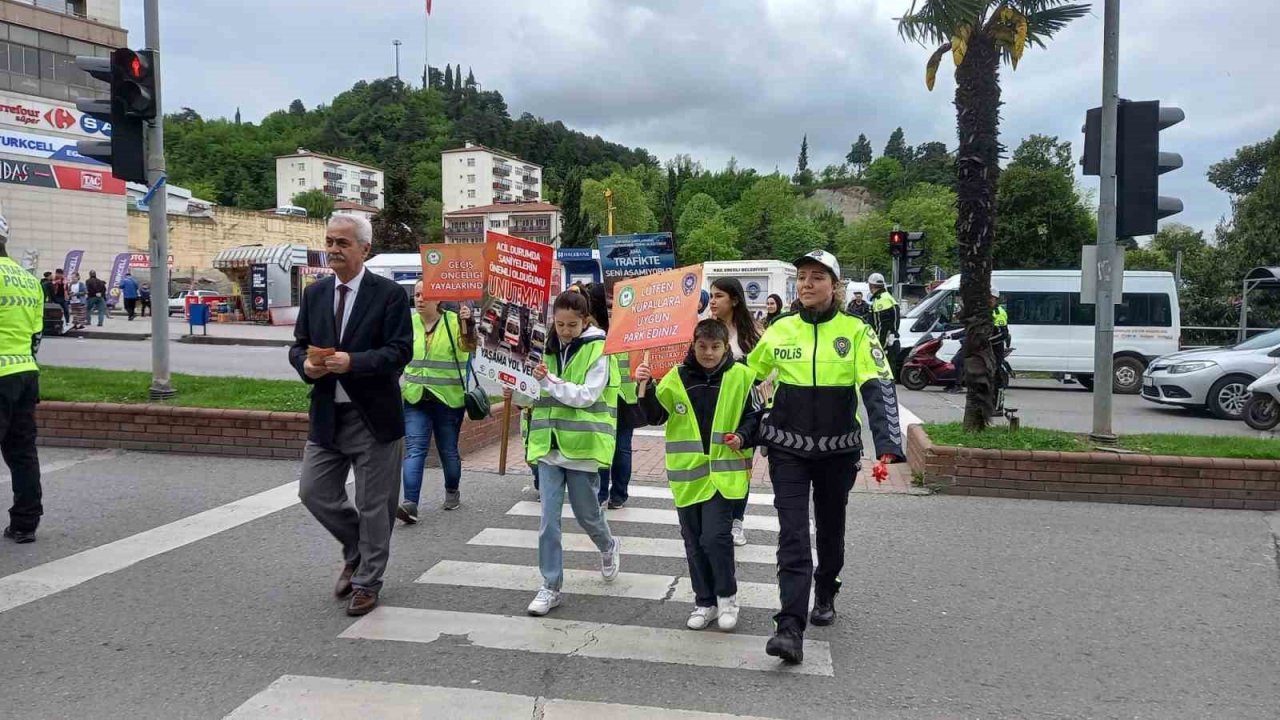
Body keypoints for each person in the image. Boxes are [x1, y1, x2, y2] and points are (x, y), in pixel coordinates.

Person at [747, 250, 904, 665]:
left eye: (817, 277)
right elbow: (746, 376)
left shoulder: (856, 331)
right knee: (793, 534)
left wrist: (888, 442)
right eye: (802, 276)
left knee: (830, 530)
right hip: (787, 448)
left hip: (838, 450)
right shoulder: (781, 329)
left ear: (834, 286)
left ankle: (827, 589)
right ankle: (789, 627)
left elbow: (878, 383)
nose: (807, 284)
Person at [289, 214, 413, 617]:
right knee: (313, 491)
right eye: (329, 242)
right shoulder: (315, 294)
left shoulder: (389, 295)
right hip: (328, 414)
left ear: (365, 249)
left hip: (374, 418)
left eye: (342, 243)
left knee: (375, 504)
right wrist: (305, 366)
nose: (333, 249)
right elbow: (299, 345)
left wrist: (353, 362)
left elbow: (400, 351)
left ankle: (367, 582)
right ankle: (357, 548)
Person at [635, 319, 763, 632]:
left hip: (723, 475)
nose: (708, 353)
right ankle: (704, 602)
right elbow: (655, 416)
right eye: (702, 346)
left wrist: (743, 436)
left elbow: (755, 416)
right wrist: (646, 387)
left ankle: (727, 598)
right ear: (693, 346)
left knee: (715, 537)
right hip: (688, 475)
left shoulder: (743, 376)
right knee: (693, 541)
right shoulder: (676, 377)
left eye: (715, 347)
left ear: (725, 348)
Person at [520, 289, 621, 617]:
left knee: (587, 514)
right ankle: (550, 585)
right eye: (560, 324)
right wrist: (517, 385)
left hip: (581, 446)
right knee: (548, 521)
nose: (564, 330)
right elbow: (530, 392)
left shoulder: (600, 348)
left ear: (585, 320)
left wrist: (547, 381)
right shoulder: (541, 345)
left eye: (572, 325)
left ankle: (607, 545)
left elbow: (587, 396)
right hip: (548, 444)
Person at [396, 281, 476, 522]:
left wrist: (468, 324)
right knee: (414, 450)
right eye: (417, 294)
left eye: (425, 295)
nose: (420, 299)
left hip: (448, 399)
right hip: (415, 397)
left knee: (448, 450)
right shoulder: (408, 324)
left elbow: (470, 346)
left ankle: (452, 491)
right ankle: (410, 504)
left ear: (439, 299)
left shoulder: (454, 322)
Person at [0, 209, 46, 544]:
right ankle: (25, 523)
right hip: (25, 372)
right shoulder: (28, 280)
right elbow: (36, 335)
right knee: (22, 453)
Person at [707, 277, 761, 547]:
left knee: (740, 466)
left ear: (735, 300)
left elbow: (764, 374)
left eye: (719, 296)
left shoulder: (753, 335)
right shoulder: (706, 330)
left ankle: (737, 521)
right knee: (713, 464)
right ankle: (718, 517)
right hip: (711, 408)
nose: (713, 301)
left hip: (744, 411)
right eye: (711, 296)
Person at [580, 281, 637, 510]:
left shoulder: (591, 329)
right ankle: (619, 495)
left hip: (604, 394)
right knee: (622, 446)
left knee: (602, 443)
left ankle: (601, 493)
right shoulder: (626, 321)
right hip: (626, 392)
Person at [947, 286, 1010, 394]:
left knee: (994, 368)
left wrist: (987, 341)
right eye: (987, 298)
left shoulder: (998, 313)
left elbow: (1003, 334)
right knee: (957, 360)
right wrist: (953, 335)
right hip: (977, 345)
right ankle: (957, 384)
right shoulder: (981, 312)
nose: (989, 300)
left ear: (996, 300)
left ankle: (996, 389)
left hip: (993, 347)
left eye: (992, 298)